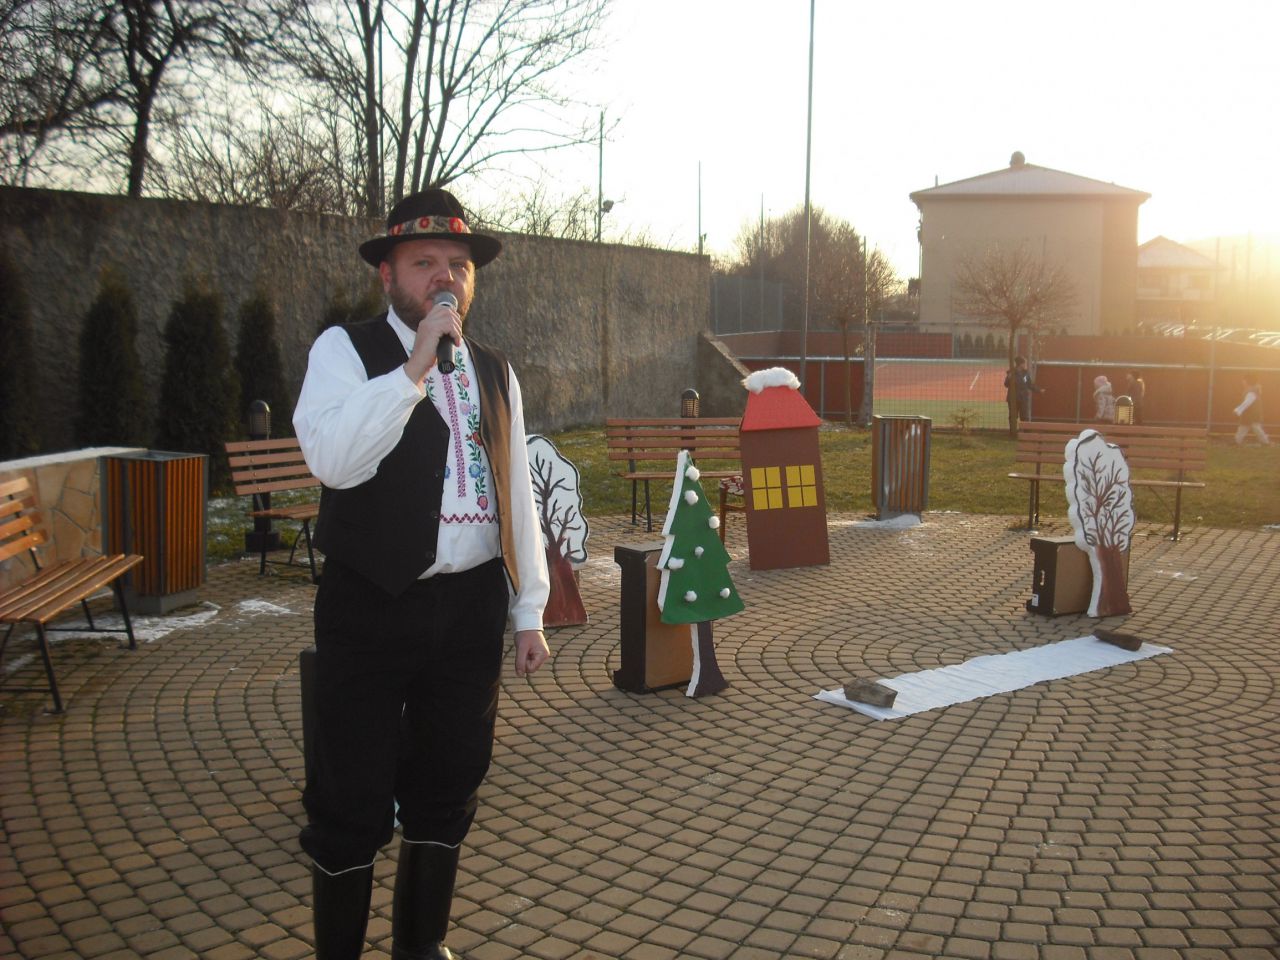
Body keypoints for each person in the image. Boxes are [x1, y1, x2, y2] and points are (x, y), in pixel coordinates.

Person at [293, 188, 551, 960]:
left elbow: (516, 495)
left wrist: (529, 609)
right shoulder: (345, 351)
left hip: (470, 605)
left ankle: (421, 945)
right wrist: (413, 368)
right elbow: (334, 461)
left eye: (459, 265)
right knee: (351, 792)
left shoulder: (496, 371)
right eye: (424, 262)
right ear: (388, 275)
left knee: (450, 780)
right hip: (371, 601)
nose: (445, 278)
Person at [1233, 373, 1271, 445]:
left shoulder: (1251, 391)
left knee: (1256, 427)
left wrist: (1238, 410)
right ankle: (1237, 441)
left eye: (1244, 380)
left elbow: (1247, 402)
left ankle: (1265, 442)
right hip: (1248, 414)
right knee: (1243, 427)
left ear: (1248, 381)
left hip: (1252, 414)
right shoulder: (1252, 390)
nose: (1242, 381)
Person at [1004, 355, 1044, 422]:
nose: (1026, 365)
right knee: (1013, 417)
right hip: (1013, 399)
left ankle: (1024, 428)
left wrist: (1039, 390)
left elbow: (1029, 384)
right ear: (1020, 364)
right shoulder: (1011, 372)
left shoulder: (1025, 374)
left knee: (1024, 417)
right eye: (1025, 363)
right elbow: (1006, 384)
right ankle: (1013, 429)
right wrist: (1008, 378)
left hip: (1023, 399)